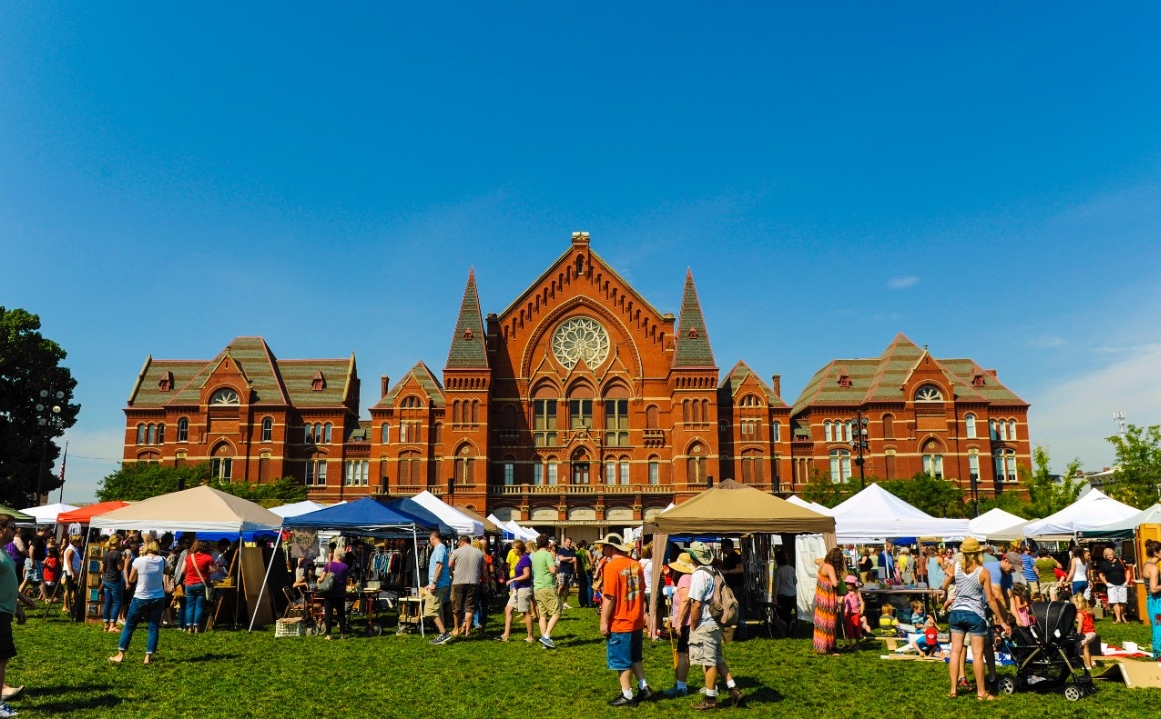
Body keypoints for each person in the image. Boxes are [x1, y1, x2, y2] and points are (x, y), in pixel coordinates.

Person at [940, 537, 1010, 700]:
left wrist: (949, 576)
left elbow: (943, 587)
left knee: (955, 651)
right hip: (975, 613)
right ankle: (981, 692)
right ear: (978, 553)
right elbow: (991, 599)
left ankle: (953, 690)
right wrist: (1002, 619)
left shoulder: (956, 566)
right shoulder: (983, 571)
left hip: (956, 611)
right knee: (978, 654)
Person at [595, 533, 653, 707]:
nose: (602, 549)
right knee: (635, 657)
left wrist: (604, 620)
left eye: (604, 546)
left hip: (620, 620)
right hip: (636, 618)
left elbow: (610, 597)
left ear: (612, 548)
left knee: (621, 660)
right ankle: (644, 686)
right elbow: (641, 593)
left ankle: (627, 694)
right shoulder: (636, 565)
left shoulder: (611, 566)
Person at [685, 541, 742, 710]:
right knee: (718, 659)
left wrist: (693, 625)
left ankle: (710, 698)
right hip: (716, 622)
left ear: (693, 557)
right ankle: (734, 689)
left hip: (705, 622)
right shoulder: (714, 571)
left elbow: (695, 604)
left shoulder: (698, 575)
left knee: (708, 661)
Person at [0, 516, 37, 716]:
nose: (15, 532)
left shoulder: (3, 551)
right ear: (0, 529)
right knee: (1, 658)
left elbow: (6, 582)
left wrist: (20, 602)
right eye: (12, 528)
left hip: (5, 611)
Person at [108, 540, 167, 665]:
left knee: (129, 626)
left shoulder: (139, 560)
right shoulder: (162, 560)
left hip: (141, 597)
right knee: (153, 628)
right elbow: (168, 572)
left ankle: (121, 654)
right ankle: (148, 658)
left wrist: (127, 564)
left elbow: (131, 579)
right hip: (158, 597)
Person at [661, 551, 696, 698]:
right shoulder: (690, 578)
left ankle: (681, 685)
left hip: (687, 623)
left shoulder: (685, 579)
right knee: (696, 655)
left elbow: (685, 601)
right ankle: (710, 686)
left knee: (683, 654)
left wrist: (679, 623)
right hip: (690, 621)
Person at [496, 540, 534, 643]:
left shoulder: (525, 559)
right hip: (518, 588)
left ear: (518, 549)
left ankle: (530, 637)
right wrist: (515, 586)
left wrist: (513, 580)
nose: (512, 550)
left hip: (524, 588)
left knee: (525, 612)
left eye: (514, 548)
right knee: (508, 609)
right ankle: (506, 635)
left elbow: (527, 575)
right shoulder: (520, 559)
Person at [448, 535, 484, 640]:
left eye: (458, 542)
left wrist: (452, 574)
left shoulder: (457, 551)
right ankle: (468, 631)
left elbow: (449, 565)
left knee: (456, 607)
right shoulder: (479, 552)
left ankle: (455, 629)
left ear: (462, 541)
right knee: (470, 607)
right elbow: (484, 569)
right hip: (474, 582)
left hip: (458, 581)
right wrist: (485, 582)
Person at [425, 531, 453, 645]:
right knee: (437, 609)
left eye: (430, 539)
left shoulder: (440, 548)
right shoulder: (440, 548)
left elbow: (439, 566)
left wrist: (434, 583)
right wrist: (431, 582)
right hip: (439, 583)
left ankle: (443, 633)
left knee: (431, 610)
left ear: (432, 538)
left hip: (439, 584)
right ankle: (442, 633)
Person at [813, 547, 842, 655]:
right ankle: (829, 647)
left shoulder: (823, 564)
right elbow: (834, 583)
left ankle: (820, 646)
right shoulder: (830, 567)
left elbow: (815, 560)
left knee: (821, 622)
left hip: (821, 598)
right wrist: (840, 582)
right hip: (827, 599)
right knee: (829, 623)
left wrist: (824, 559)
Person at [182, 540, 215, 634]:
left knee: (189, 607)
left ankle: (189, 628)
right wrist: (217, 567)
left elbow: (183, 571)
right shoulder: (208, 558)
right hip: (201, 584)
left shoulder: (189, 557)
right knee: (199, 607)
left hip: (189, 584)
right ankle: (196, 627)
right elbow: (212, 571)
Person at [318, 549, 349, 640]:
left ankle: (328, 635)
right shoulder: (345, 567)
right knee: (341, 614)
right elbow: (347, 581)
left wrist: (319, 581)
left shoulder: (328, 565)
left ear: (335, 554)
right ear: (342, 556)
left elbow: (322, 578)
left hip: (329, 593)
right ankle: (342, 634)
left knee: (329, 614)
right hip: (340, 593)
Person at [719, 538, 745, 635]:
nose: (722, 549)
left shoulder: (735, 556)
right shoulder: (729, 557)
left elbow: (740, 569)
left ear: (729, 547)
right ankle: (737, 631)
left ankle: (742, 632)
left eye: (723, 547)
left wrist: (727, 572)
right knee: (734, 608)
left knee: (738, 608)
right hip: (732, 586)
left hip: (737, 586)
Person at [1097, 546, 1129, 624]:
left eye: (1110, 554)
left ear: (1113, 554)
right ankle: (1118, 619)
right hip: (1112, 585)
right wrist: (1106, 583)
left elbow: (1127, 571)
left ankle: (1123, 617)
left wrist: (1127, 582)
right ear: (1105, 556)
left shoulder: (1120, 561)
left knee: (1123, 601)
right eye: (1107, 555)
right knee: (1115, 602)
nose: (1109, 556)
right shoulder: (1104, 564)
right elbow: (1100, 574)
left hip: (1122, 584)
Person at [101, 535, 126, 633]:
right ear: (119, 542)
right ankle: (112, 625)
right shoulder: (117, 554)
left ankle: (106, 625)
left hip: (106, 581)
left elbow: (101, 568)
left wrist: (106, 575)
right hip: (114, 581)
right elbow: (120, 568)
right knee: (118, 603)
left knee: (107, 602)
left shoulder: (107, 553)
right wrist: (123, 559)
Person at [1142, 538, 1161, 660]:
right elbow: (1153, 588)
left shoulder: (1147, 564)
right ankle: (1159, 658)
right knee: (1159, 630)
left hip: (1152, 601)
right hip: (1156, 602)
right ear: (1156, 553)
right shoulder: (1153, 568)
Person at [772, 550, 797, 635]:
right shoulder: (791, 568)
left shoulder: (778, 570)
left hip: (782, 594)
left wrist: (774, 597)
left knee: (782, 613)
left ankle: (788, 624)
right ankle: (790, 624)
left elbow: (776, 585)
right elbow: (795, 581)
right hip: (792, 594)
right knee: (788, 610)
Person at [1072, 594, 1097, 671]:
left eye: (1074, 604)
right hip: (1092, 633)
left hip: (1086, 634)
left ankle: (1088, 666)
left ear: (1078, 604)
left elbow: (1080, 625)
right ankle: (1092, 662)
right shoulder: (1088, 611)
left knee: (1085, 650)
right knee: (1087, 649)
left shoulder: (1080, 613)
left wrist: (1078, 635)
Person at [62, 534, 83, 619]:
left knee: (74, 589)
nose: (80, 543)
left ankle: (73, 606)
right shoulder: (70, 550)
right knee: (69, 589)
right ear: (74, 541)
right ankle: (65, 606)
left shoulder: (75, 549)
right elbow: (68, 562)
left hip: (74, 572)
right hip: (70, 573)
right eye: (78, 541)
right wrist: (72, 573)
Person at [841, 575, 865, 647]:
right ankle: (850, 643)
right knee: (849, 628)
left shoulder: (857, 592)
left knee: (857, 627)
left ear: (853, 584)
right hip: (847, 613)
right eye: (847, 584)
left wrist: (862, 609)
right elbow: (841, 600)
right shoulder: (845, 593)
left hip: (856, 613)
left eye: (850, 584)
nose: (848, 585)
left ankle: (857, 642)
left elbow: (861, 601)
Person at [555, 536, 577, 610]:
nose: (569, 543)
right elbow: (560, 558)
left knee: (567, 587)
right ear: (565, 542)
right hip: (563, 570)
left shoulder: (572, 551)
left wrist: (565, 558)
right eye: (568, 542)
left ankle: (565, 602)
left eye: (570, 542)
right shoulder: (561, 550)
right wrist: (569, 558)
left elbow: (574, 560)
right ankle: (557, 602)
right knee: (561, 586)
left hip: (570, 571)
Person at [575, 539, 593, 609]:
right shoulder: (587, 552)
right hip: (587, 571)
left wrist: (576, 571)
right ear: (585, 545)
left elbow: (576, 563)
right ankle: (589, 603)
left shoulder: (577, 553)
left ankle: (581, 602)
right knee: (588, 587)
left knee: (581, 588)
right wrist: (592, 566)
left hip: (580, 571)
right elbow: (591, 561)